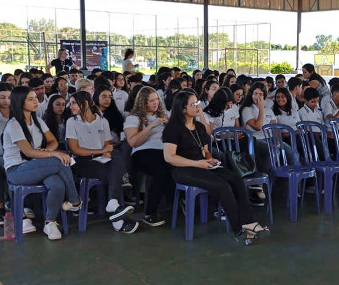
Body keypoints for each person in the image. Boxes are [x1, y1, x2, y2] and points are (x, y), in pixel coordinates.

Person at [162, 90, 269, 243]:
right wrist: (197, 163)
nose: (198, 106)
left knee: (236, 178)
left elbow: (205, 151)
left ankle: (249, 222)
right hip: (183, 169)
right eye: (193, 104)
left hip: (203, 164)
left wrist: (210, 160)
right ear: (183, 108)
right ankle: (238, 228)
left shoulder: (198, 127)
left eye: (198, 102)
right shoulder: (173, 129)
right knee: (222, 185)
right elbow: (169, 157)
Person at [3, 86, 81, 240]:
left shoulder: (37, 120)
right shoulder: (14, 124)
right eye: (30, 99)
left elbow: (52, 141)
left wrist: (47, 151)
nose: (36, 101)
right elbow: (28, 152)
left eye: (35, 98)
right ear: (20, 102)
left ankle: (50, 222)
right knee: (60, 160)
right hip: (17, 170)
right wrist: (53, 154)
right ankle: (75, 201)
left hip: (37, 165)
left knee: (57, 184)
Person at [66, 91, 139, 234]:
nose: (71, 106)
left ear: (85, 103)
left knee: (116, 156)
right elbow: (75, 149)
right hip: (82, 162)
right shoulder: (71, 122)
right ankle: (116, 215)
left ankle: (113, 204)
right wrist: (99, 151)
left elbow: (107, 145)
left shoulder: (102, 121)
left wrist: (106, 152)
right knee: (115, 172)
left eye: (74, 103)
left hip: (101, 161)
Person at [124, 87, 171, 226]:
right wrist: (150, 126)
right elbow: (133, 142)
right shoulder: (133, 118)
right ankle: (150, 212)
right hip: (144, 151)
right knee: (161, 170)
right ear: (143, 103)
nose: (155, 103)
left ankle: (180, 200)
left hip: (164, 149)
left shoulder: (164, 115)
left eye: (156, 99)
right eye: (151, 101)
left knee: (177, 164)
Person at [240, 82, 295, 176]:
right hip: (256, 140)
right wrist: (261, 108)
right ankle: (264, 176)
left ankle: (288, 178)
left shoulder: (268, 110)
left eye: (261, 94)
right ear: (251, 94)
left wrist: (278, 141)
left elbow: (275, 127)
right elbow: (258, 127)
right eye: (255, 94)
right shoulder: (247, 109)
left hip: (270, 138)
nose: (258, 97)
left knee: (288, 150)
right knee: (272, 151)